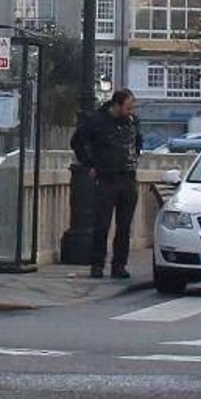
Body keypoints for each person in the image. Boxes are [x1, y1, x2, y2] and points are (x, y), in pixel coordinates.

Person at [70, 88, 142, 279]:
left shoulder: (133, 121)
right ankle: (97, 264)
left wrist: (136, 156)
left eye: (131, 108)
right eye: (127, 107)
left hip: (127, 177)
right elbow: (77, 141)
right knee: (101, 224)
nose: (130, 111)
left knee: (124, 226)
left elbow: (138, 141)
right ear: (116, 105)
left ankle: (119, 265)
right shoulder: (96, 121)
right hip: (106, 178)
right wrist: (89, 164)